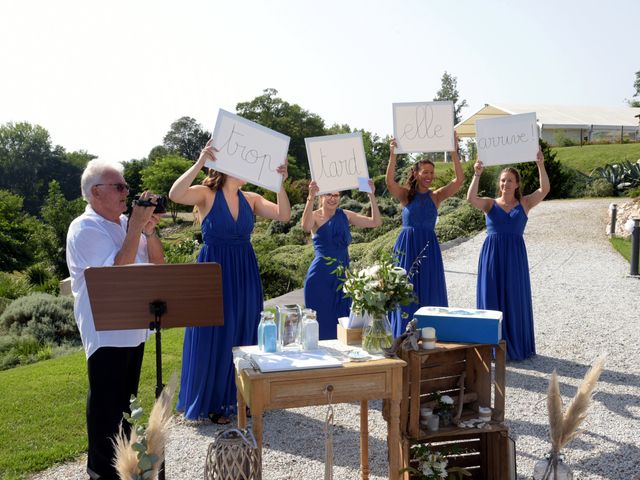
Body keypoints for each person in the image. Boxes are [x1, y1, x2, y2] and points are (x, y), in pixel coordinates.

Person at [169, 139, 290, 424]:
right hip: (213, 272)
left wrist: (280, 184)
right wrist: (200, 161)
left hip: (244, 270)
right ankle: (213, 401)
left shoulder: (252, 199)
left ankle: (240, 398)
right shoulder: (206, 194)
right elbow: (175, 194)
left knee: (243, 329)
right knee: (214, 334)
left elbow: (284, 215)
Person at [66, 159, 164, 480]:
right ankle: (100, 471)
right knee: (107, 408)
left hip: (134, 328)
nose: (127, 193)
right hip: (105, 332)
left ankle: (125, 468)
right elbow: (115, 273)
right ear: (96, 193)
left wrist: (148, 230)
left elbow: (157, 266)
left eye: (126, 186)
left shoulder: (124, 223)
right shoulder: (85, 227)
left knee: (127, 407)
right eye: (119, 187)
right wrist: (135, 224)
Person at [466, 148, 550, 361]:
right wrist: (477, 174)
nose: (506, 184)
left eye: (510, 180)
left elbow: (545, 189)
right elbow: (470, 198)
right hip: (492, 256)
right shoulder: (489, 203)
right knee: (491, 296)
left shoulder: (525, 203)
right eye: (503, 181)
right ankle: (491, 346)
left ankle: (515, 344)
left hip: (514, 258)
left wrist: (540, 164)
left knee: (514, 297)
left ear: (517, 184)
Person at [385, 136, 464, 337]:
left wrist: (454, 151)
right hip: (407, 246)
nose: (429, 176)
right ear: (416, 173)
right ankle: (402, 336)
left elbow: (459, 180)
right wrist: (392, 155)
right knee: (405, 290)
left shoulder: (436, 196)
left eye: (431, 172)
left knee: (429, 289)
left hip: (428, 248)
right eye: (425, 172)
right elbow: (389, 182)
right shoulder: (405, 195)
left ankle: (430, 335)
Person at [301, 180, 382, 339]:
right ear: (321, 197)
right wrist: (310, 197)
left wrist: (371, 195)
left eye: (336, 195)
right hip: (320, 277)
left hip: (342, 276)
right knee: (321, 321)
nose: (333, 198)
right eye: (328, 194)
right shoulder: (315, 217)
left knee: (343, 319)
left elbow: (375, 222)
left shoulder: (345, 215)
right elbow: (305, 226)